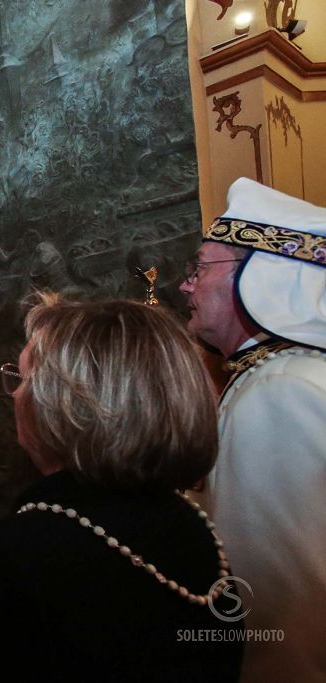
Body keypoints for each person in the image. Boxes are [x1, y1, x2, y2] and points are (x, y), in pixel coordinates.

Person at [0, 295, 244, 681]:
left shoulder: (4, 560)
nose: (14, 395)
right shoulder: (197, 529)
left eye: (20, 379)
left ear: (60, 406)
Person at [180, 178, 326, 681]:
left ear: (261, 278)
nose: (185, 284)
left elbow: (281, 611)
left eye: (199, 268)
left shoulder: (280, 394)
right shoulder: (289, 375)